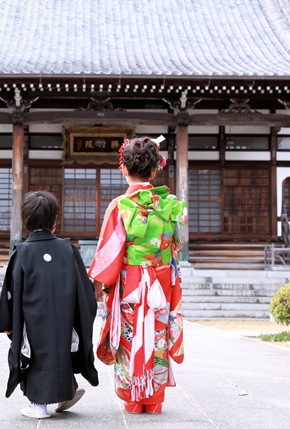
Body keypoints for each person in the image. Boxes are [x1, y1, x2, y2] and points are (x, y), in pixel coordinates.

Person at [89, 136, 187, 414]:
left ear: (123, 169)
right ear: (155, 170)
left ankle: (134, 398)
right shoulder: (169, 205)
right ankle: (153, 401)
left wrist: (97, 286)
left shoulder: (120, 206)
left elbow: (109, 252)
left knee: (130, 335)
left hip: (130, 282)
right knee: (156, 334)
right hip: (161, 281)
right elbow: (175, 246)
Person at [0, 191, 99, 419]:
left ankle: (38, 405)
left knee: (34, 354)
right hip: (65, 320)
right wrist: (82, 311)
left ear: (25, 221)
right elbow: (85, 292)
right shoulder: (70, 250)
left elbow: (9, 292)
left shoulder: (21, 253)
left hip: (32, 322)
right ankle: (64, 391)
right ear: (55, 220)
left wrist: (8, 322)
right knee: (63, 348)